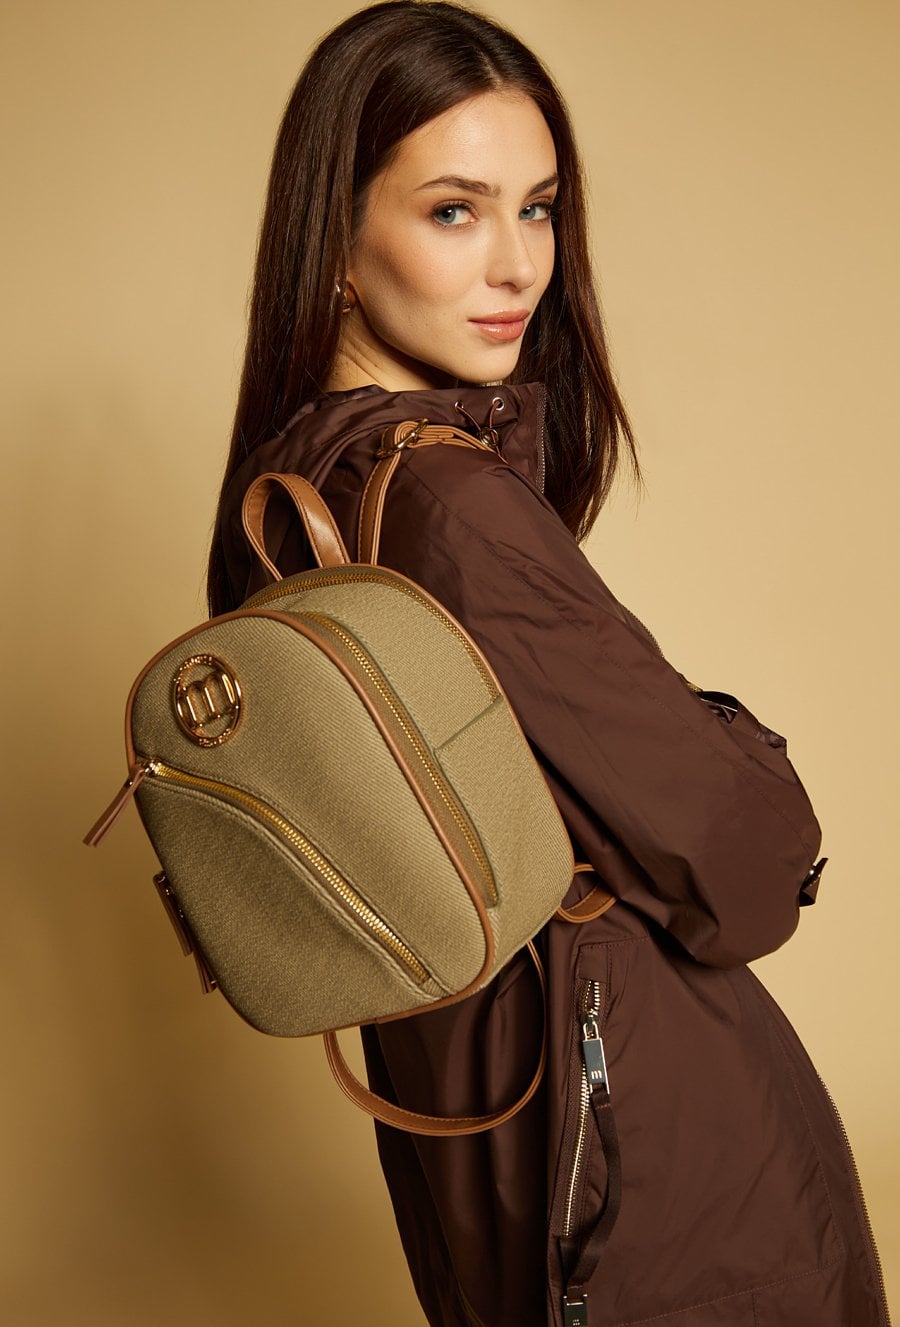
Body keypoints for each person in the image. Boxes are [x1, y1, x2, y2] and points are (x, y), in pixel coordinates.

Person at [208, 4, 889, 1325]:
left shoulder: (287, 493)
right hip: (638, 1130)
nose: (517, 264)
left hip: (480, 1115)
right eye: (454, 212)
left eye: (539, 209)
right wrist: (738, 751)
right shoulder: (449, 506)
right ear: (336, 236)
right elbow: (743, 864)